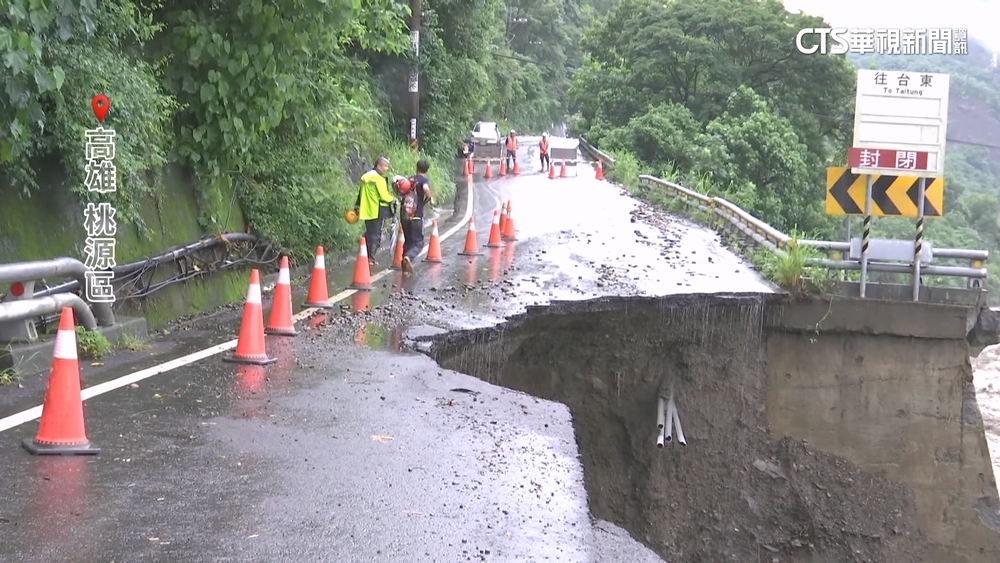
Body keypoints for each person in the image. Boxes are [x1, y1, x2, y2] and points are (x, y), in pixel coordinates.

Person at [355, 157, 396, 268]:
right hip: (378, 210)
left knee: (369, 233)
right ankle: (370, 258)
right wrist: (393, 199)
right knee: (376, 235)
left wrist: (357, 206)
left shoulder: (365, 178)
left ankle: (365, 255)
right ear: (378, 165)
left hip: (367, 210)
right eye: (385, 166)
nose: (386, 169)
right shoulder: (379, 179)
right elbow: (384, 196)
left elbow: (360, 194)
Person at [398, 160, 434, 275]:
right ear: (426, 170)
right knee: (418, 243)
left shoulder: (409, 180)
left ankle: (404, 268)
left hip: (404, 215)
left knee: (408, 241)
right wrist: (429, 198)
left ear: (416, 167)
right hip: (416, 216)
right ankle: (409, 257)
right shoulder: (424, 180)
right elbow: (425, 188)